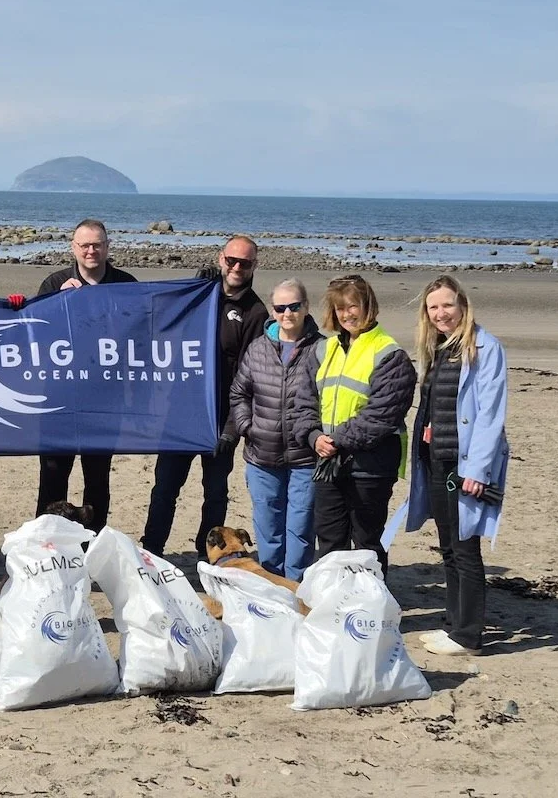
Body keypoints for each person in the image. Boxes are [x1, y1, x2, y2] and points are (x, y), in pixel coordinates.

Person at [141, 235, 268, 558]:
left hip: (220, 421)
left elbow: (249, 377)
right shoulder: (199, 295)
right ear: (220, 258)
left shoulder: (255, 312)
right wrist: (193, 290)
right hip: (180, 414)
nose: (237, 267)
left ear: (255, 265)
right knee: (165, 489)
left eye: (245, 263)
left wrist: (231, 427)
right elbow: (161, 326)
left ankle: (206, 554)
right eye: (231, 261)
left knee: (215, 493)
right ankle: (153, 550)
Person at [406, 275, 508, 655]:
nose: (440, 313)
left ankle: (469, 635)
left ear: (462, 304)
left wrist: (478, 472)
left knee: (466, 548)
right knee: (447, 545)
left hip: (465, 466)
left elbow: (490, 415)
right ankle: (453, 624)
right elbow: (441, 404)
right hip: (438, 459)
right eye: (433, 307)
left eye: (447, 305)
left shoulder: (485, 347)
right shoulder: (439, 348)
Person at [294, 274, 417, 574]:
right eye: (340, 308)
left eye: (353, 306)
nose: (347, 314)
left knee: (366, 544)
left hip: (371, 466)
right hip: (328, 463)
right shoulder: (323, 350)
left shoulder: (390, 354)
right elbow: (304, 401)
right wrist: (313, 437)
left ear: (368, 306)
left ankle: (369, 610)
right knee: (331, 543)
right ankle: (333, 608)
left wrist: (336, 439)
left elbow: (382, 414)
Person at [30, 219, 136, 533]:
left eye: (97, 245)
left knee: (97, 478)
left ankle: (94, 543)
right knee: (52, 477)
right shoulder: (55, 283)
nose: (91, 251)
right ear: (73, 248)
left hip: (104, 401)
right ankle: (47, 543)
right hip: (59, 401)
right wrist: (56, 304)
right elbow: (35, 336)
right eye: (84, 245)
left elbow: (139, 334)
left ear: (107, 247)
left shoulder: (125, 284)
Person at [228, 278, 324, 581]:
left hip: (305, 457)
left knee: (300, 530)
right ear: (273, 309)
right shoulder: (259, 348)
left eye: (294, 306)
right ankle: (271, 586)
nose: (287, 313)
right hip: (262, 457)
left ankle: (295, 587)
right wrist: (247, 427)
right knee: (268, 529)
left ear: (306, 307)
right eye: (281, 307)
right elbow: (239, 392)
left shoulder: (323, 349)